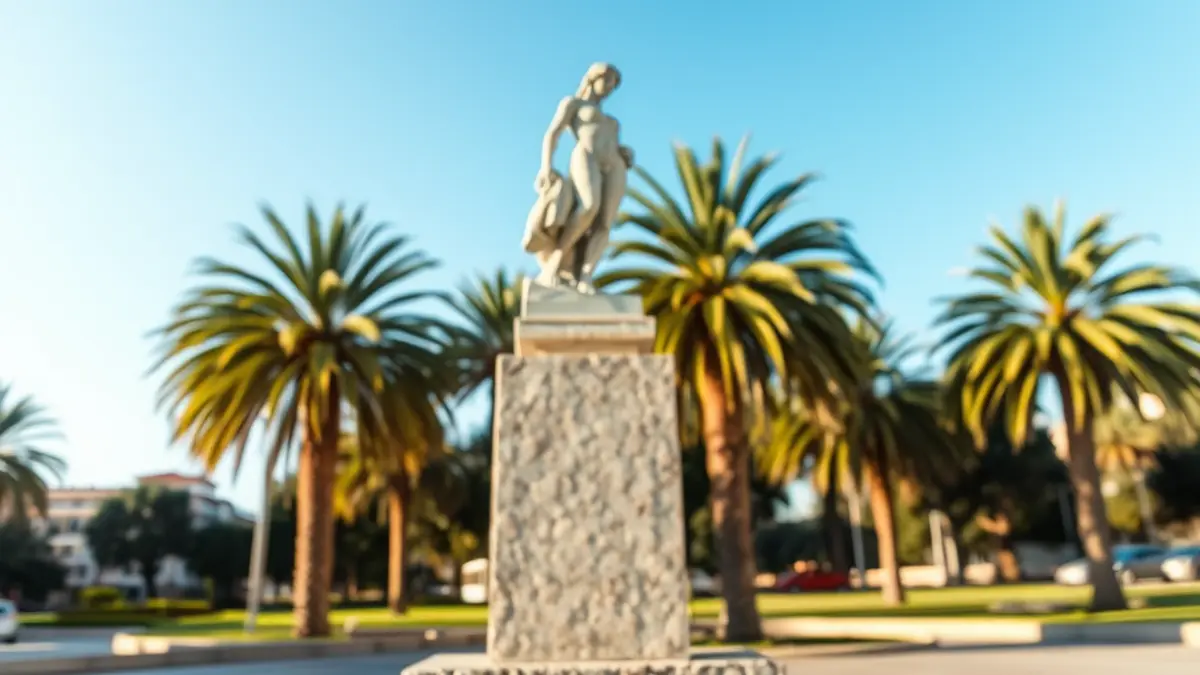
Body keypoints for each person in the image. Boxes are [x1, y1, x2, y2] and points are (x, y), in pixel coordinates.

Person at [527, 62, 634, 293]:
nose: (609, 87)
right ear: (594, 78)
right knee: (588, 207)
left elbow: (610, 143)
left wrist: (624, 152)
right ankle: (555, 263)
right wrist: (546, 167)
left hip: (614, 165)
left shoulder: (613, 122)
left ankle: (585, 276)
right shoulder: (573, 104)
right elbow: (552, 134)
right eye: (607, 80)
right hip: (586, 156)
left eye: (613, 84)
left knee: (605, 222)